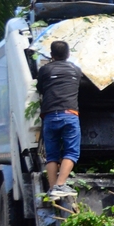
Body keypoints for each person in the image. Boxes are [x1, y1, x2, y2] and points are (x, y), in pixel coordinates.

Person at [37, 40, 83, 198]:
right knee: (71, 152)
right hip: (69, 115)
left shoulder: (45, 70)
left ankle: (52, 189)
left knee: (52, 155)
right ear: (68, 54)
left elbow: (40, 88)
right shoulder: (75, 70)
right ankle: (60, 185)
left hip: (49, 116)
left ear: (51, 55)